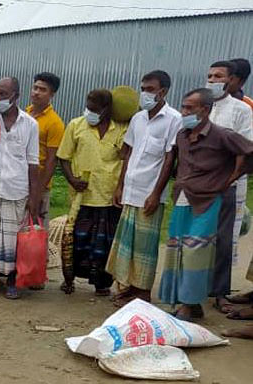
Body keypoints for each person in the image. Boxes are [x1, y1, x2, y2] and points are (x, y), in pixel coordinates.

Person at [159, 88, 253, 322]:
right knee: (178, 250)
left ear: (206, 110)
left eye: (190, 108)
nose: (184, 112)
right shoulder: (182, 134)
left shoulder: (222, 135)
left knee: (196, 253)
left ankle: (189, 305)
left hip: (208, 201)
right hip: (183, 198)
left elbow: (248, 151)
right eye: (183, 107)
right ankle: (187, 302)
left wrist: (231, 177)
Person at [105, 70, 181, 307]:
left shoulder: (174, 119)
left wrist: (157, 193)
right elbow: (128, 154)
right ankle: (128, 287)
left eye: (150, 89)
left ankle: (143, 291)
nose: (145, 93)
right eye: (143, 88)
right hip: (131, 189)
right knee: (128, 242)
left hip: (151, 192)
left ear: (163, 92)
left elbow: (170, 159)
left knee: (145, 246)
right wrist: (120, 185)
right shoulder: (138, 119)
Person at [57, 89, 127, 297]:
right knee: (75, 241)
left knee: (105, 243)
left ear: (107, 110)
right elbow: (64, 156)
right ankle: (69, 279)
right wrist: (71, 179)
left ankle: (101, 283)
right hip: (83, 197)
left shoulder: (121, 129)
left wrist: (121, 187)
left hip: (108, 195)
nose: (90, 112)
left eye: (95, 109)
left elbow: (125, 159)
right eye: (88, 108)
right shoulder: (76, 125)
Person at [0, 77, 40, 300]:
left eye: (3, 94)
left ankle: (13, 280)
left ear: (16, 96)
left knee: (14, 240)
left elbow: (33, 163)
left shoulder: (30, 124)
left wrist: (34, 197)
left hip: (16, 190)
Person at [205, 60, 253, 313]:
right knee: (195, 238)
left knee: (223, 240)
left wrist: (229, 179)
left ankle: (220, 292)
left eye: (218, 76)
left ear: (232, 80)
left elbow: (245, 150)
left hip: (227, 183)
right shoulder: (201, 105)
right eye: (210, 76)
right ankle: (193, 288)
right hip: (199, 184)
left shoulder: (241, 110)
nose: (212, 80)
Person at [27, 72, 65, 228]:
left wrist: (38, 193)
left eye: (42, 89)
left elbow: (51, 161)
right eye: (35, 88)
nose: (36, 92)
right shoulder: (25, 113)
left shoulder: (55, 123)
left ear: (52, 94)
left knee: (36, 229)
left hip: (40, 185)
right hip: (22, 181)